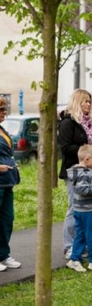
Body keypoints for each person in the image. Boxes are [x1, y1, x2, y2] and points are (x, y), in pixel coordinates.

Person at [58, 89, 92, 259]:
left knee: (87, 208)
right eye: (84, 101)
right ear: (76, 102)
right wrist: (87, 148)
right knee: (75, 207)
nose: (88, 104)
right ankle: (69, 246)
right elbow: (65, 148)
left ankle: (83, 245)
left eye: (89, 101)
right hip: (75, 171)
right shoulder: (68, 122)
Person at [66, 145, 92, 272]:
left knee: (80, 235)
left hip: (78, 209)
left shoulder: (76, 172)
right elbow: (82, 189)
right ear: (87, 159)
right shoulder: (84, 173)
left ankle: (74, 259)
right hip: (87, 210)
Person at [0, 97, 21, 271]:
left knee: (7, 219)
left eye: (5, 110)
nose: (4, 114)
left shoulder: (2, 130)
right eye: (1, 110)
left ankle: (3, 254)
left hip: (7, 181)